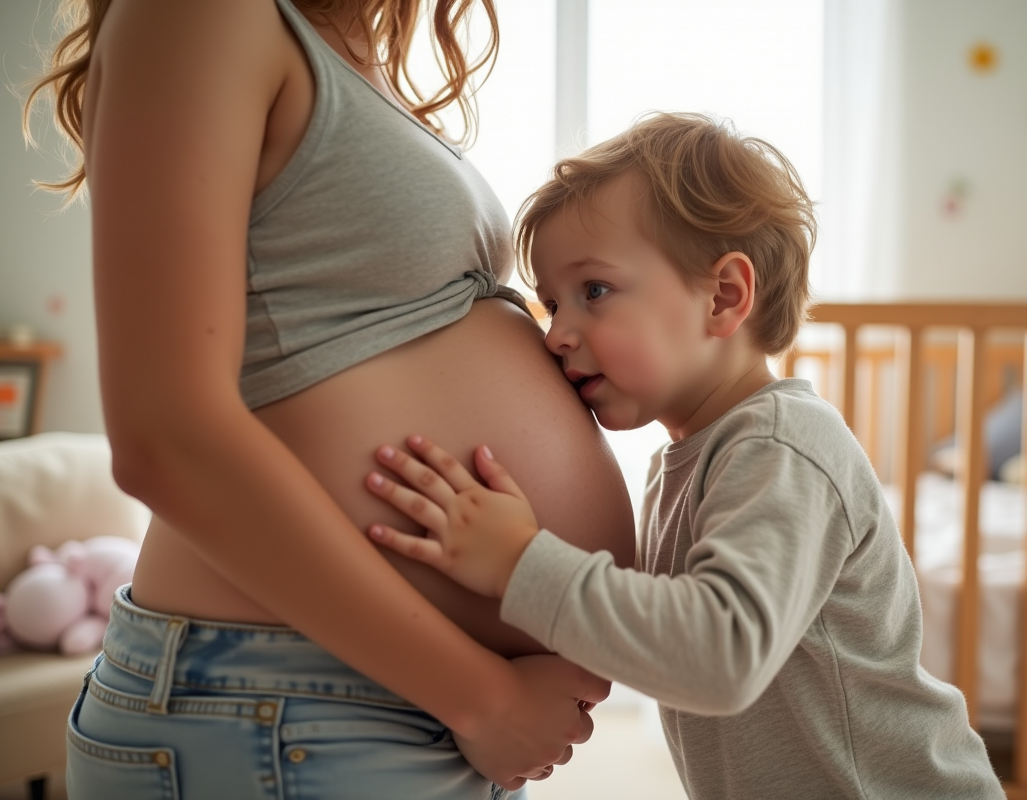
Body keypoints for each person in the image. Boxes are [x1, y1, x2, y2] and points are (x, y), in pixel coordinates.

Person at [24, 0, 636, 797]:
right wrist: (481, 697)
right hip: (282, 708)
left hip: (366, 709)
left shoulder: (346, 51)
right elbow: (164, 434)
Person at [361, 112, 1007, 799]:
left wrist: (518, 562)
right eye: (550, 305)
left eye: (594, 292)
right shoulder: (694, 460)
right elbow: (650, 630)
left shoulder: (782, 445)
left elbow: (720, 656)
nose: (557, 335)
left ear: (724, 297)